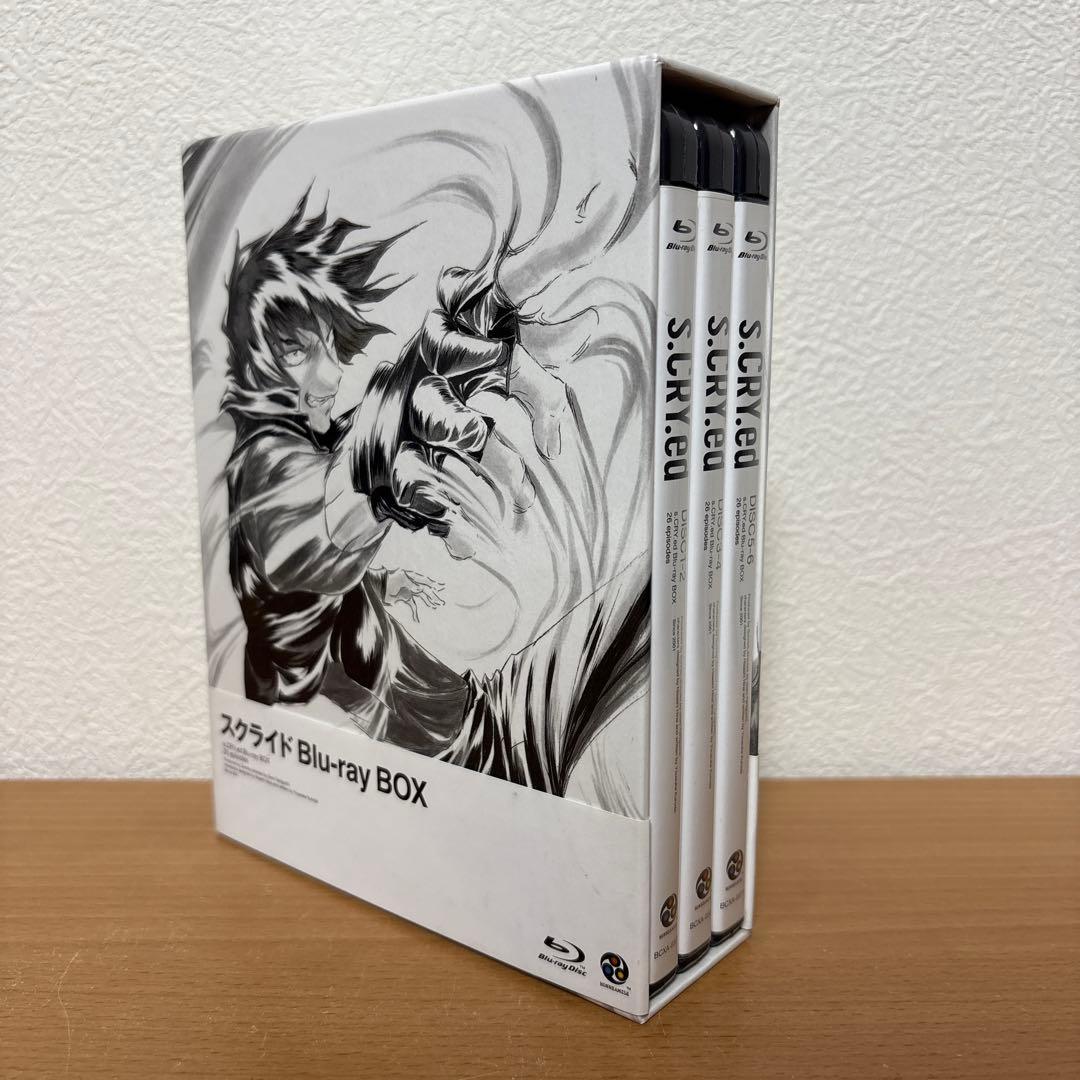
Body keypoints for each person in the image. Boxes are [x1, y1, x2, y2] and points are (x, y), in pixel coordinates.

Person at [221, 189, 647, 794]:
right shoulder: (264, 475)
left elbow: (356, 460)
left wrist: (484, 315)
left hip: (483, 724)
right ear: (252, 364)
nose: (329, 377)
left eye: (330, 349)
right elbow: (302, 535)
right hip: (462, 772)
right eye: (295, 352)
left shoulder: (306, 454)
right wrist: (380, 465)